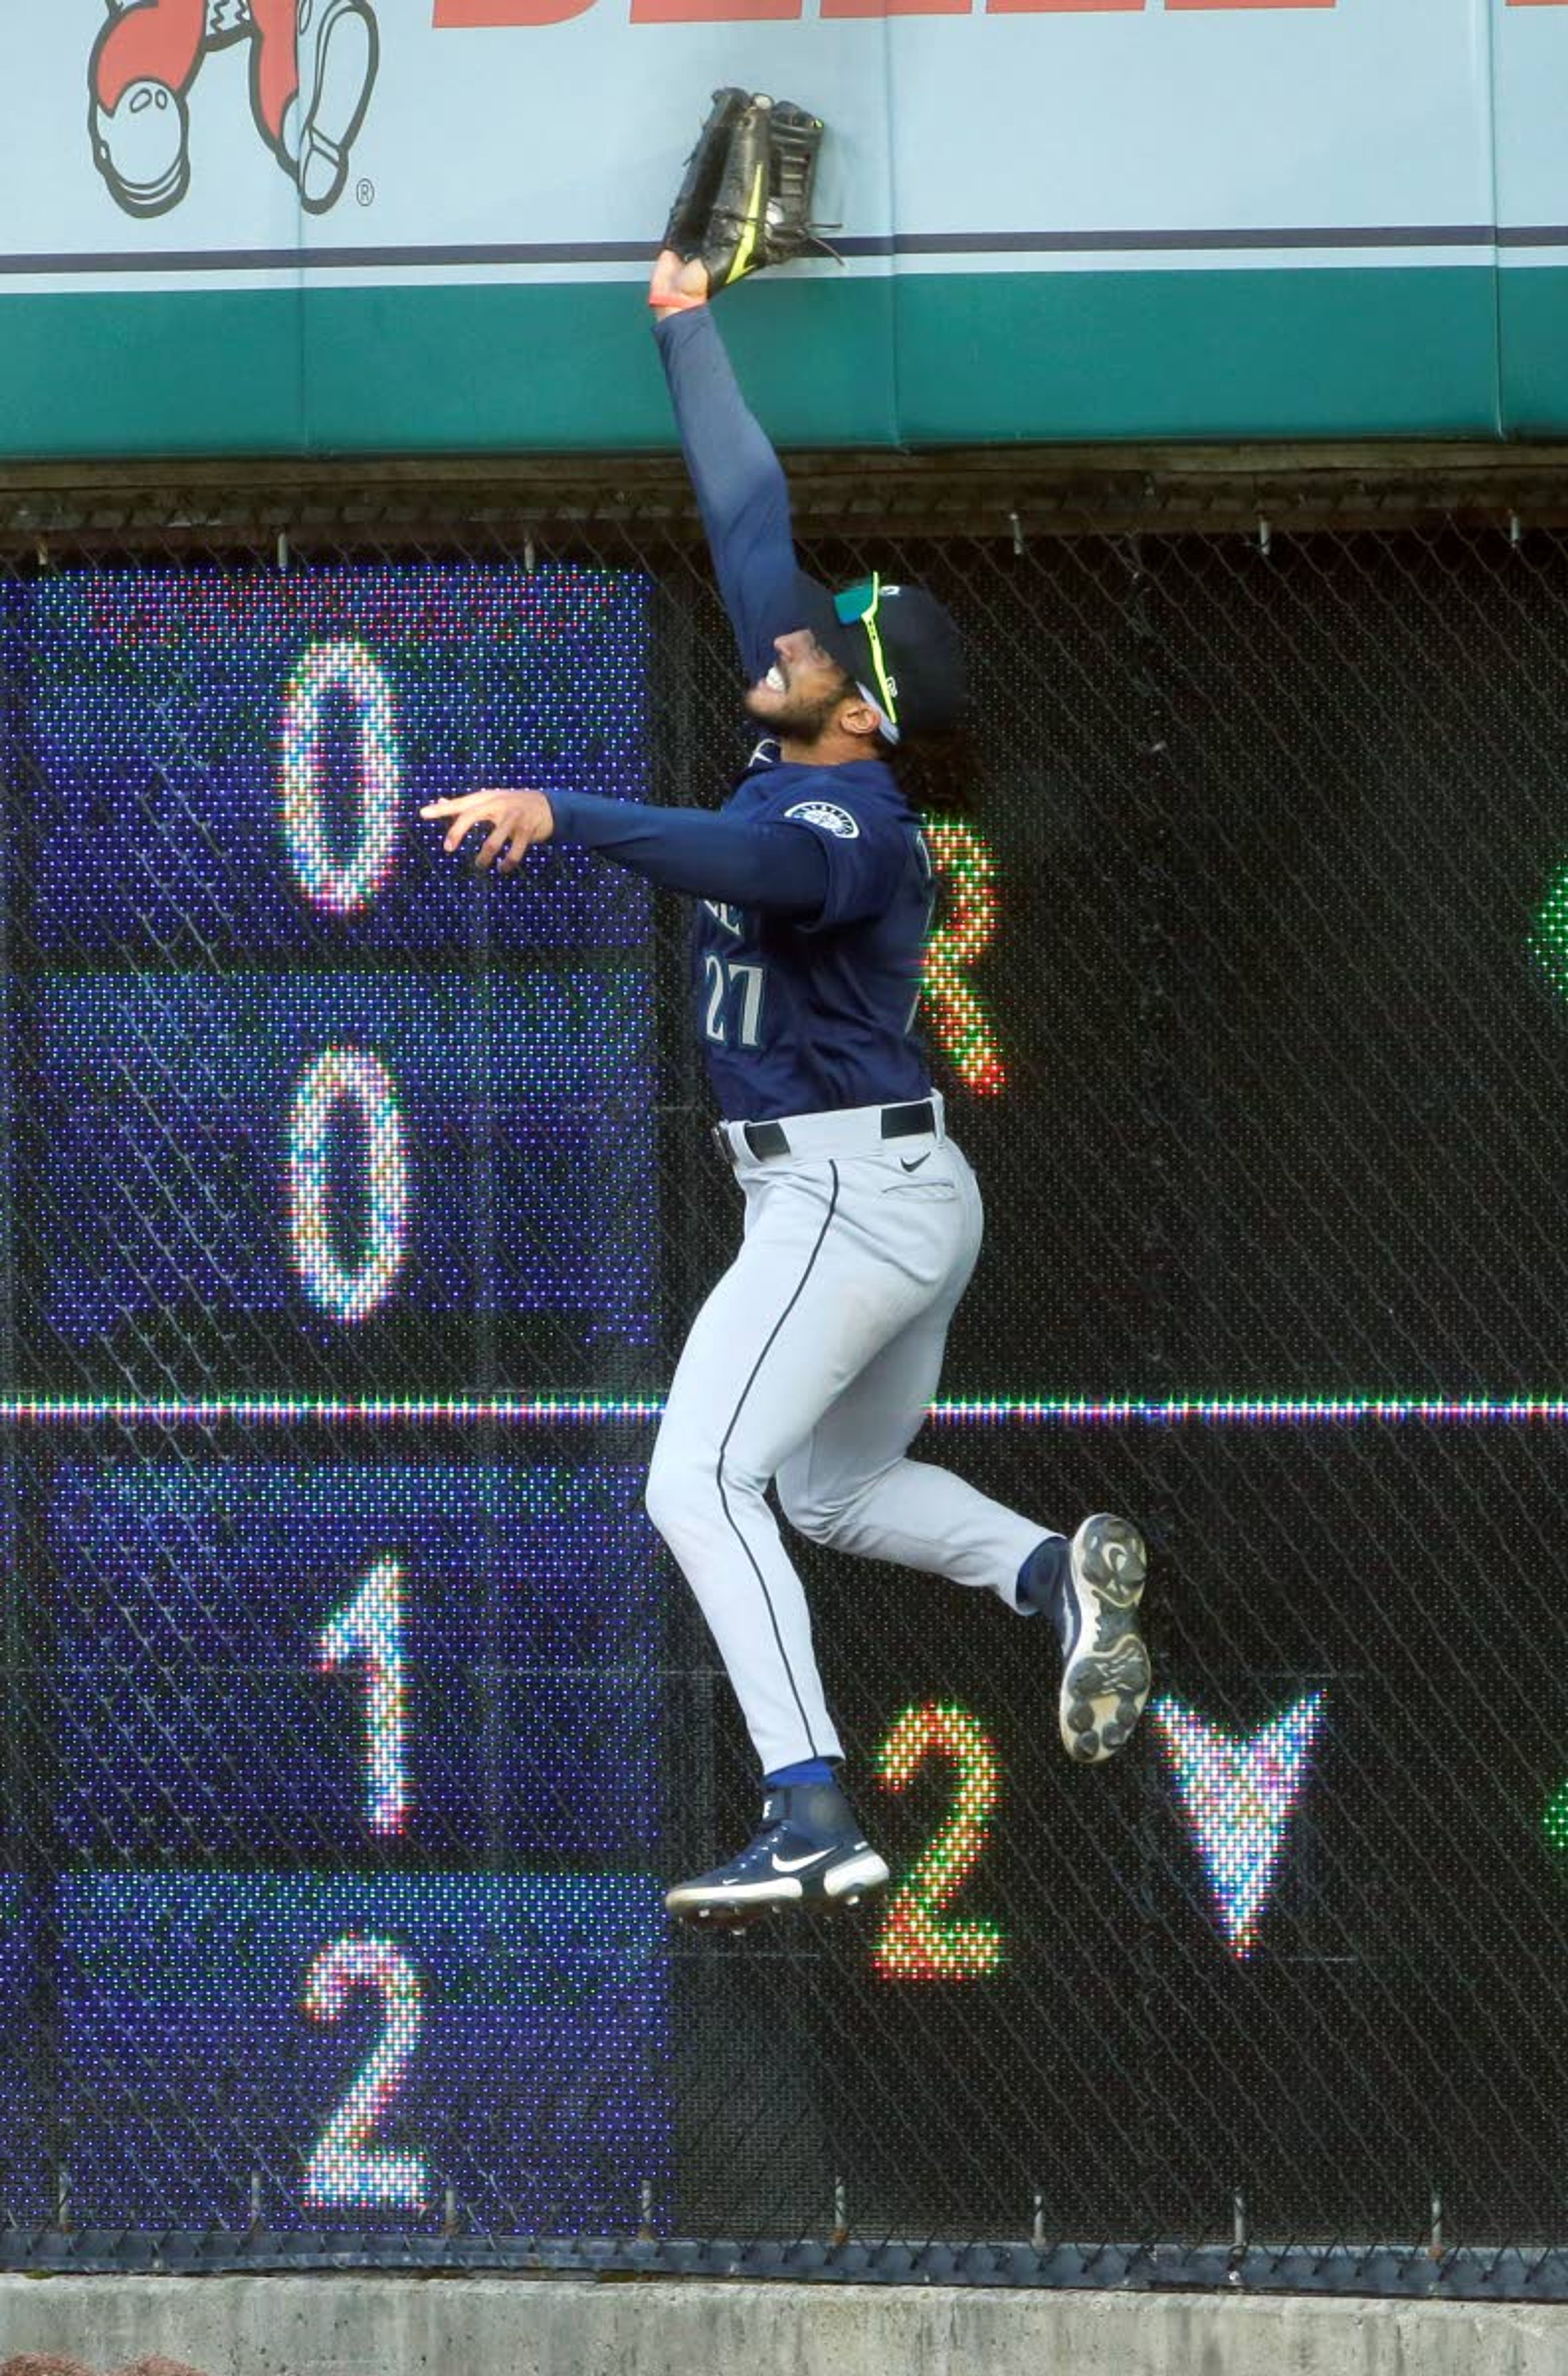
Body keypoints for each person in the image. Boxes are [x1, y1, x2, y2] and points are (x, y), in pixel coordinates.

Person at [421, 248, 1151, 1928]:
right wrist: (686, 322)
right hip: (895, 1192)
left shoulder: (854, 827)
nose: (802, 624)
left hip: (838, 1193)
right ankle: (1045, 1573)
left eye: (834, 642)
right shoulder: (809, 722)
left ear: (865, 711)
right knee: (820, 1488)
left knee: (695, 1482)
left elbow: (746, 858)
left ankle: (812, 1805)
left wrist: (566, 808)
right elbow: (747, 506)